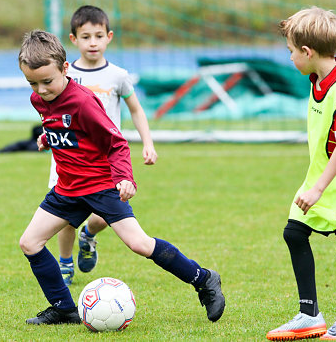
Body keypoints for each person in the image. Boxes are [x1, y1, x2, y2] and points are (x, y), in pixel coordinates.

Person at [18, 30, 225, 325]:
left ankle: (203, 279)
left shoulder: (83, 102)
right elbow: (64, 127)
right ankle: (64, 308)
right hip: (67, 189)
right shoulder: (39, 99)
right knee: (30, 242)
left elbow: (115, 143)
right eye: (32, 83)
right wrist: (49, 138)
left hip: (101, 186)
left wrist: (125, 178)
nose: (41, 90)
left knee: (139, 244)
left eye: (47, 81)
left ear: (65, 69)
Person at [266, 7, 336, 341]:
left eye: (291, 52)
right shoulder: (319, 77)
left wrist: (316, 190)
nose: (289, 58)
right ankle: (309, 314)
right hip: (324, 180)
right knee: (294, 233)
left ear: (307, 52)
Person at [48, 5, 158, 287]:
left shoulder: (118, 75)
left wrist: (148, 143)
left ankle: (89, 236)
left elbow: (136, 110)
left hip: (106, 160)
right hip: (68, 156)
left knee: (106, 215)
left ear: (109, 37)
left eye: (98, 35)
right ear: (74, 40)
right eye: (86, 37)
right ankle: (65, 264)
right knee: (64, 217)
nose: (93, 42)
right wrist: (46, 135)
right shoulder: (65, 73)